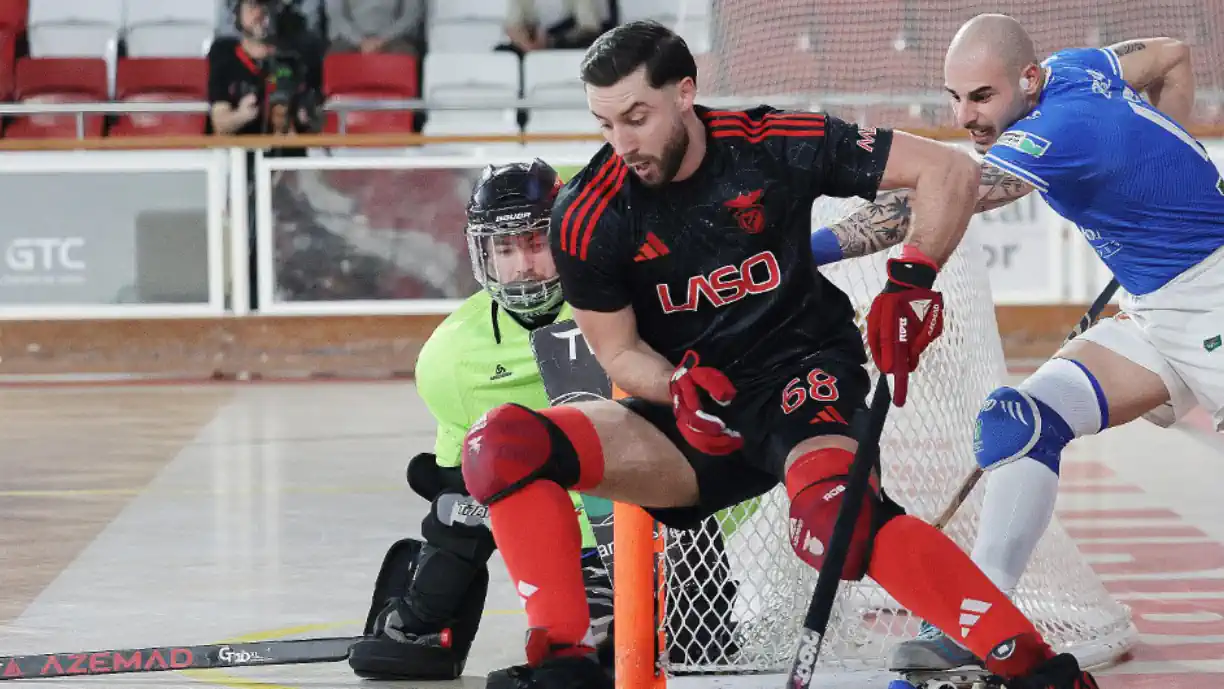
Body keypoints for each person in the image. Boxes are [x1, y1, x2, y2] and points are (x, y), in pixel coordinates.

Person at [458, 19, 1100, 689]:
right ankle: (564, 667)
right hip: (695, 411)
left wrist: (913, 280)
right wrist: (674, 383)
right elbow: (619, 355)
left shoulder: (773, 144)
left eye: (637, 117)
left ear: (685, 92)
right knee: (501, 445)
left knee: (837, 517)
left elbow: (947, 170)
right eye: (605, 125)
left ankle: (1036, 668)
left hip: (803, 379)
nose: (623, 145)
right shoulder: (587, 213)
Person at [809, 12, 1224, 676]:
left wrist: (807, 251)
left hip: (1214, 298)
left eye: (982, 97)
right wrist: (1170, 158)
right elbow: (1170, 57)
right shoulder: (1076, 69)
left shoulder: (1055, 132)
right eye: (955, 97)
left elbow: (948, 192)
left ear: (1027, 80)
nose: (967, 115)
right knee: (1021, 423)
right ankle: (983, 614)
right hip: (1157, 304)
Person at [346, 159, 739, 680]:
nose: (522, 265)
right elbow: (457, 477)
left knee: (671, 651)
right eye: (504, 249)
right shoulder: (450, 355)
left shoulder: (628, 307)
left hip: (656, 505)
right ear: (481, 253)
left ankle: (668, 596)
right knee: (457, 505)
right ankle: (428, 622)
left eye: (535, 243)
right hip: (547, 521)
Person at [324, 0, 426, 56]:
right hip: (348, 38)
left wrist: (382, 39)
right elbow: (336, 14)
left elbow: (411, 14)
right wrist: (359, 41)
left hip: (393, 38)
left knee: (404, 53)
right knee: (336, 55)